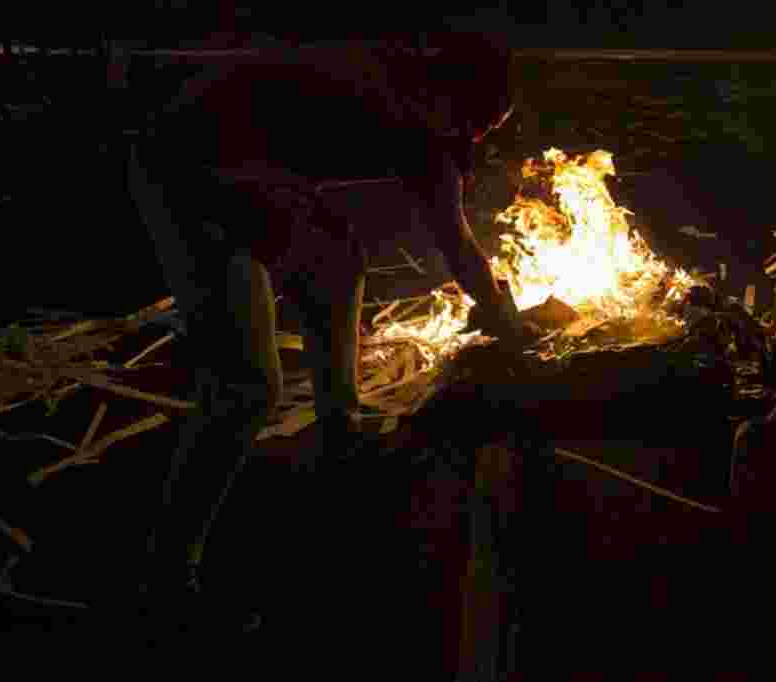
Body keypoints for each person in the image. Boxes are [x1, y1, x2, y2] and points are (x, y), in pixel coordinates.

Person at [125, 33, 539, 637]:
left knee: (336, 259)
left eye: (488, 128)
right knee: (246, 390)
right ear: (442, 92)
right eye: (473, 121)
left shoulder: (418, 112)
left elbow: (445, 222)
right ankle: (165, 582)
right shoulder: (392, 106)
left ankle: (340, 426)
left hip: (248, 174)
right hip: (183, 171)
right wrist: (504, 317)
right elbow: (456, 242)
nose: (474, 139)